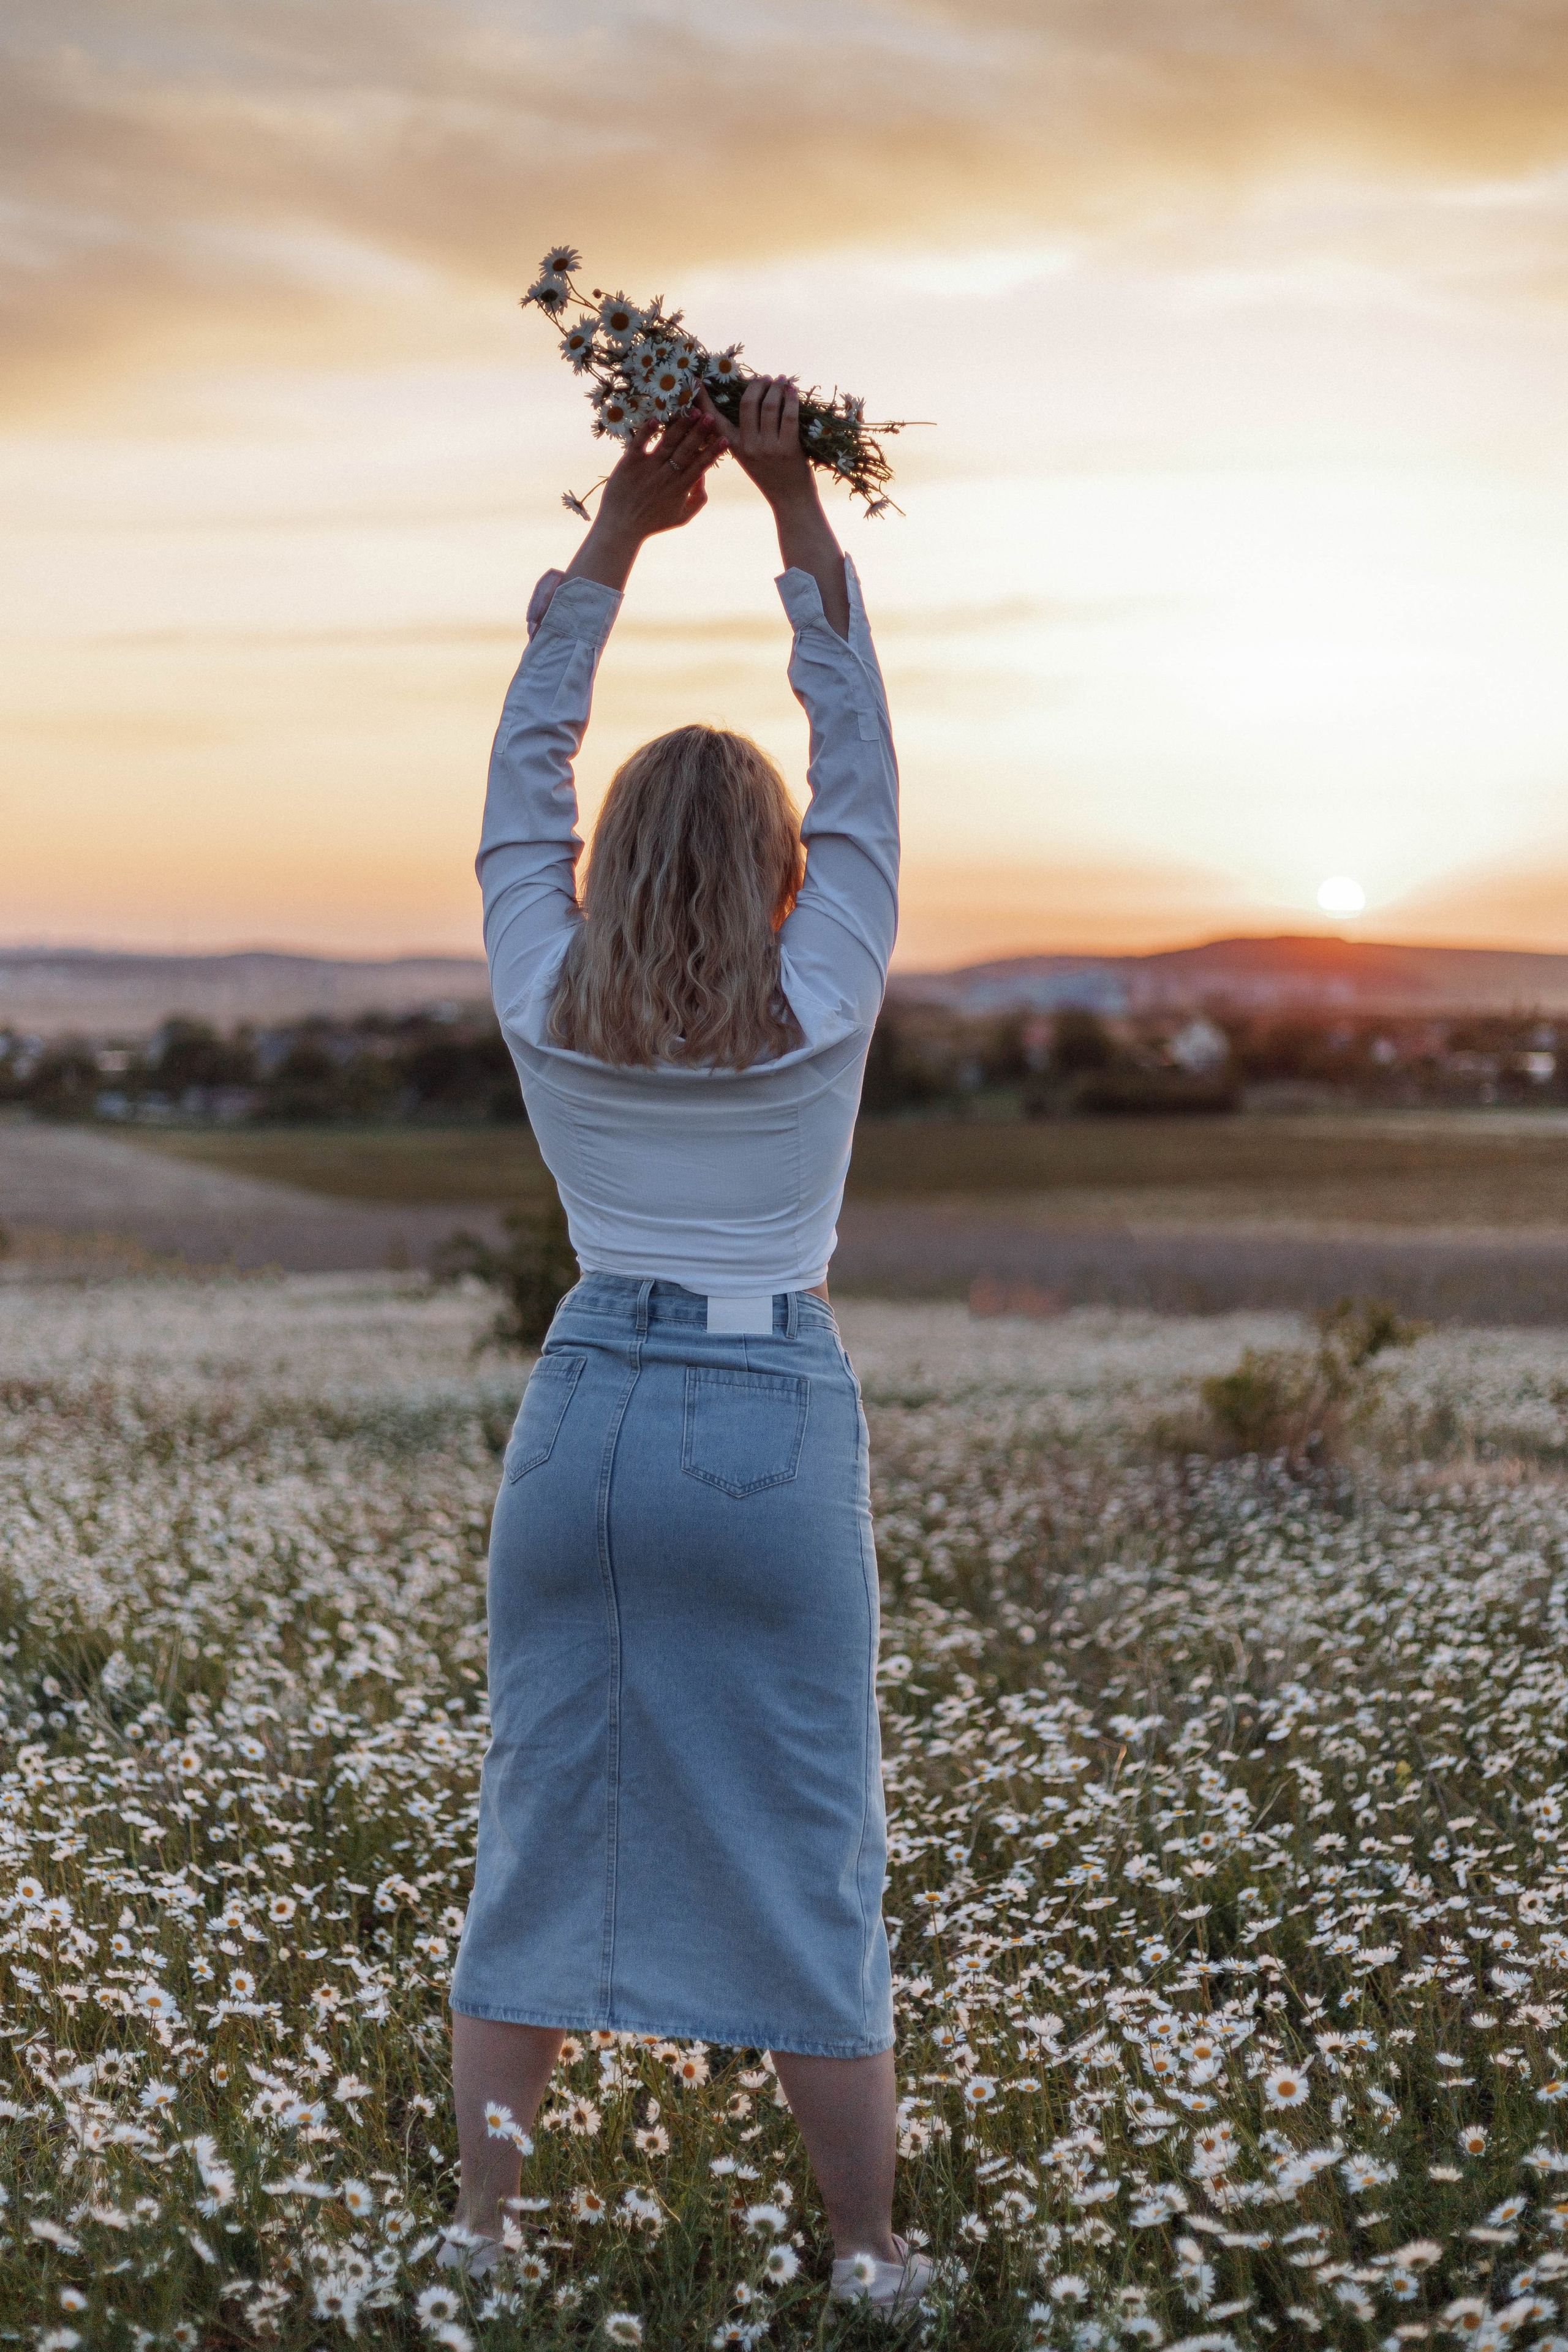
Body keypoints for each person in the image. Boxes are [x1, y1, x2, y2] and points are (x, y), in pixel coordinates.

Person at [443, 377, 929, 2318]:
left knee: (542, 1817)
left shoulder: (544, 987)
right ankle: (869, 2259)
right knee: (810, 1836)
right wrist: (797, 508)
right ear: (787, 867)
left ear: (611, 857)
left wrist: (622, 536)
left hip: (584, 1423)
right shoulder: (826, 983)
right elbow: (865, 744)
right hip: (767, 1417)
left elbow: (520, 767)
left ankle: (475, 2244)